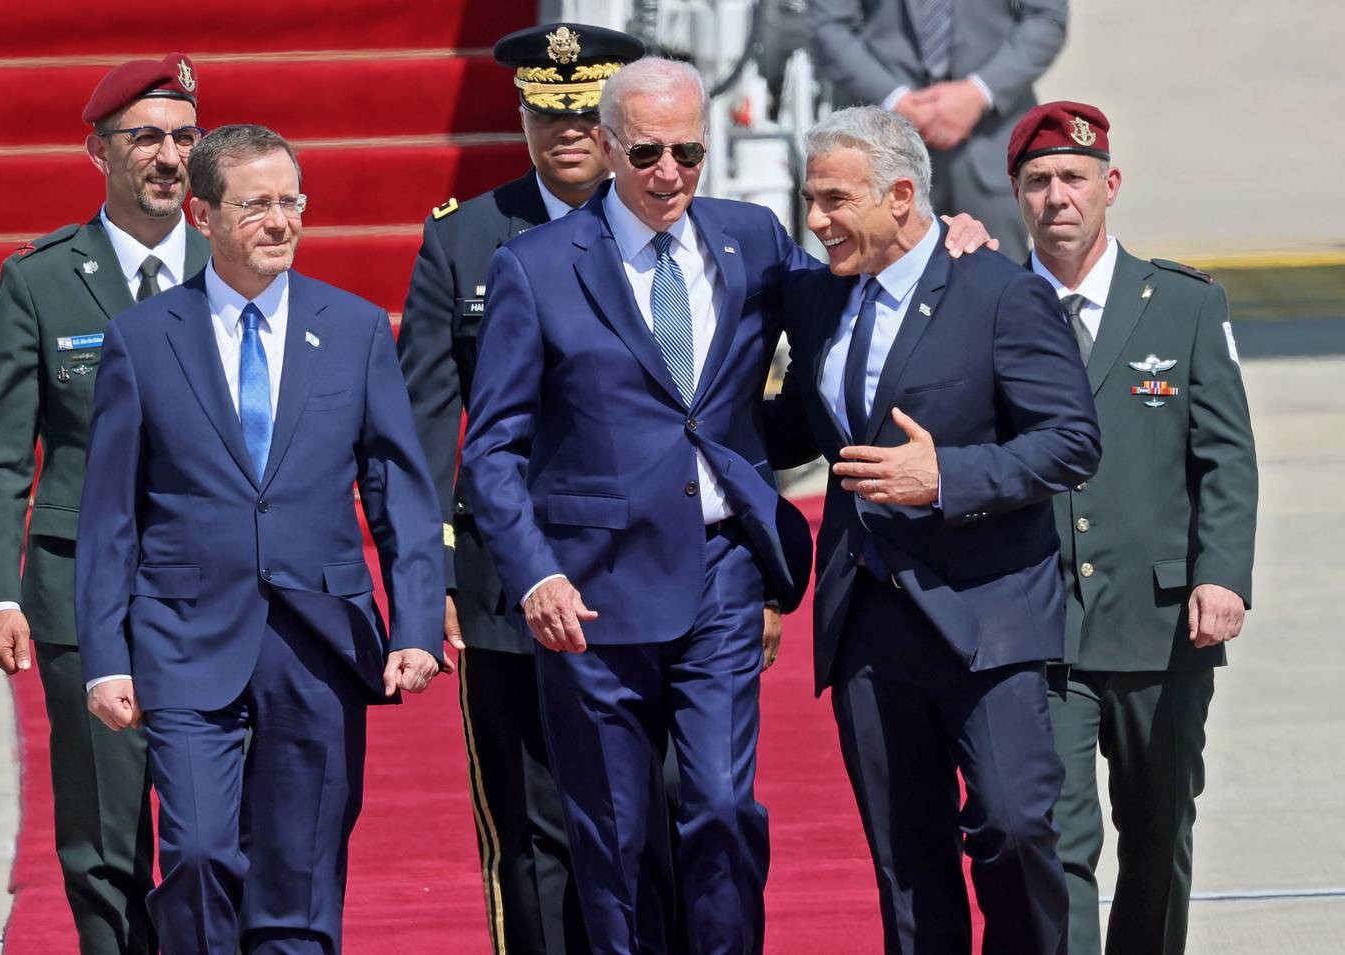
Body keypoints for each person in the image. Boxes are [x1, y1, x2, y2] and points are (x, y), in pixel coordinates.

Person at [458, 55, 825, 955]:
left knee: (722, 806)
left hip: (721, 573)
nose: (669, 173)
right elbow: (493, 449)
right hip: (593, 590)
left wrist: (937, 238)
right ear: (609, 145)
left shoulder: (753, 240)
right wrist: (534, 573)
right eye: (648, 152)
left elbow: (849, 307)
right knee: (616, 834)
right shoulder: (536, 267)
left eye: (687, 153)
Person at [73, 124, 445, 953]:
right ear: (202, 215)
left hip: (318, 636)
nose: (280, 221)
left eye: (290, 201)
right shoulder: (143, 338)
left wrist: (417, 623)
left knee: (300, 873)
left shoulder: (352, 328)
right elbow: (109, 516)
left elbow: (399, 490)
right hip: (183, 630)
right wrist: (105, 656)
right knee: (199, 850)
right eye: (256, 206)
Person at [762, 105, 1100, 955]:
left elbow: (1070, 440)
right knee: (906, 862)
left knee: (1014, 826)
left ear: (902, 195)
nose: (816, 221)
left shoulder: (1000, 293)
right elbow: (799, 426)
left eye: (836, 200)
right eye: (811, 199)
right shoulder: (814, 296)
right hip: (868, 617)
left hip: (987, 613)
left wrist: (945, 475)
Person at [396, 24, 664, 955]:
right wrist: (430, 573)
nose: (569, 132)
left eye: (587, 114)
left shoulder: (668, 227)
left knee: (658, 804)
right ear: (521, 118)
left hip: (646, 566)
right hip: (508, 576)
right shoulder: (464, 238)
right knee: (531, 824)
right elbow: (425, 420)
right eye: (549, 114)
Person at [0, 53, 209, 954]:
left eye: (185, 138)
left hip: (215, 588)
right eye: (145, 138)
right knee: (103, 836)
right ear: (98, 151)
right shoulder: (42, 278)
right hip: (79, 592)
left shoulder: (234, 263)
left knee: (217, 824)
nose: (169, 157)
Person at [1008, 101, 1258, 955]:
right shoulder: (992, 304)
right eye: (1038, 181)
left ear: (1109, 185)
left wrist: (1221, 573)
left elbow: (1226, 456)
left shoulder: (1183, 305)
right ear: (1017, 195)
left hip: (1163, 622)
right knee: (1054, 838)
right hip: (1040, 622)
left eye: (1074, 178)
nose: (1057, 197)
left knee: (1158, 829)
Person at [807, 0, 1068, 261]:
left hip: (990, 142)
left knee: (1000, 274)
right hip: (878, 149)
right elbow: (829, 26)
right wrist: (895, 102)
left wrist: (978, 93)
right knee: (876, 279)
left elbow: (1046, 18)